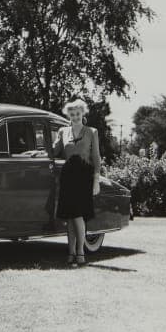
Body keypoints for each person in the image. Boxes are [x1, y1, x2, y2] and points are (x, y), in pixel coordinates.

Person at [53, 98, 101, 267]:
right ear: (69, 115)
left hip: (84, 176)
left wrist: (96, 180)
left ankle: (80, 251)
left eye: (77, 113)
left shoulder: (92, 132)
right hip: (68, 176)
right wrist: (37, 152)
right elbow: (54, 150)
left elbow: (96, 157)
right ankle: (71, 252)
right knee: (70, 216)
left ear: (83, 113)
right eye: (72, 114)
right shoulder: (62, 131)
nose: (75, 117)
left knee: (79, 214)